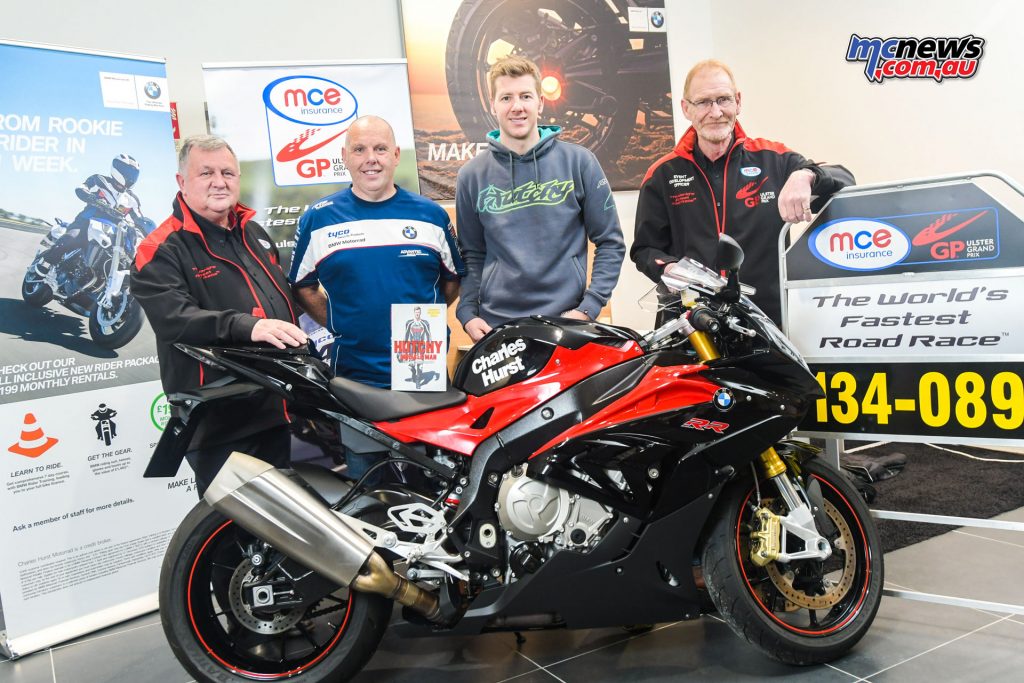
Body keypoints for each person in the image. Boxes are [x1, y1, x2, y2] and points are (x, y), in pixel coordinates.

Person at [289, 115, 465, 481]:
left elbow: (451, 282)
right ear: (345, 157)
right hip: (355, 370)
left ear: (396, 155)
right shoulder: (319, 219)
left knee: (431, 481)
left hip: (421, 364)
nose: (371, 158)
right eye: (360, 149)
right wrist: (342, 323)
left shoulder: (430, 215)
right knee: (369, 488)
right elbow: (302, 287)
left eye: (380, 148)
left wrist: (421, 318)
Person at [131, 135, 307, 496]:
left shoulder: (252, 232)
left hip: (274, 408)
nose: (219, 181)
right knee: (230, 540)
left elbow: (280, 302)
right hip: (220, 419)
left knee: (281, 534)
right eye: (205, 172)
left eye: (227, 172)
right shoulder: (159, 248)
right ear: (182, 182)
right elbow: (175, 319)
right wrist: (249, 326)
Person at [631, 59, 854, 326]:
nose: (715, 112)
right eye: (703, 102)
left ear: (738, 101)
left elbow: (845, 179)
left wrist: (805, 175)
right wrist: (668, 268)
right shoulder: (662, 174)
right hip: (691, 324)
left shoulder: (774, 159)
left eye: (723, 99)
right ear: (686, 108)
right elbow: (644, 249)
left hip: (765, 324)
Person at [455, 55, 625, 342]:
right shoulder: (471, 175)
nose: (517, 106)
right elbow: (472, 254)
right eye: (506, 97)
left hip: (567, 324)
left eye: (525, 96)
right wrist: (468, 314)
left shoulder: (579, 162)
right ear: (493, 105)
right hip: (499, 328)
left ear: (541, 103)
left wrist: (589, 306)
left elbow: (610, 241)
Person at [44, 154, 144, 268]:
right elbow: (82, 188)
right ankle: (42, 269)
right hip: (85, 224)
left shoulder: (132, 199)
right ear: (117, 169)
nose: (130, 177)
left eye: (133, 174)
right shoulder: (99, 181)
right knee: (70, 239)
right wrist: (94, 199)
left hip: (111, 234)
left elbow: (140, 219)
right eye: (127, 172)